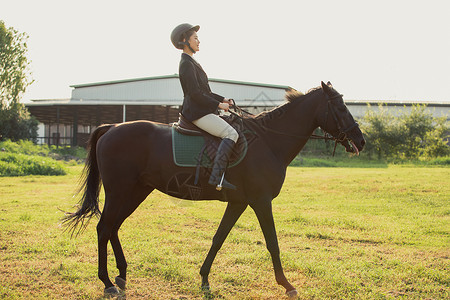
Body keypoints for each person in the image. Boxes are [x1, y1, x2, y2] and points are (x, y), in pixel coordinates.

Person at [171, 23, 238, 191]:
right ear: (185, 40)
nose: (199, 41)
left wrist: (223, 99)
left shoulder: (192, 62)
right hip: (196, 113)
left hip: (201, 110)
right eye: (195, 38)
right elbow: (195, 94)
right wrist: (218, 104)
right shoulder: (186, 63)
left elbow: (205, 91)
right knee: (231, 133)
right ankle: (216, 178)